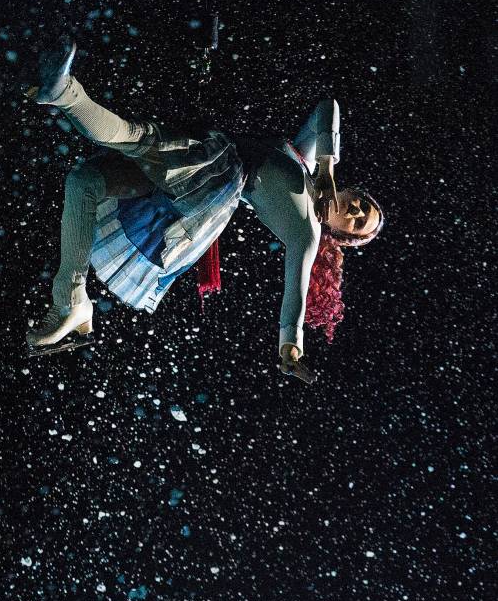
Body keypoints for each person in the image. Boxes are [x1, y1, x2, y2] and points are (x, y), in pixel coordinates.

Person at [22, 35, 384, 381]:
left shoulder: (307, 232)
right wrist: (326, 166)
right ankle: (71, 300)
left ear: (341, 235)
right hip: (207, 162)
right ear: (356, 191)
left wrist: (291, 347)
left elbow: (296, 297)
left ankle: (66, 94)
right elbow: (327, 107)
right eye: (362, 206)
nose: (354, 211)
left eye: (357, 223)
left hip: (212, 186)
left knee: (137, 137)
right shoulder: (306, 163)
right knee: (85, 181)